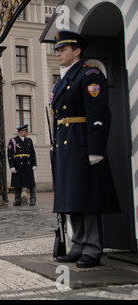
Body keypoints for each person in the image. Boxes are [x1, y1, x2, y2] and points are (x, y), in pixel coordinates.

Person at [50, 31, 120, 268]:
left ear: (77, 50)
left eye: (63, 49)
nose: (58, 53)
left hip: (81, 142)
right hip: (66, 145)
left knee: (88, 198)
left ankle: (92, 247)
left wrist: (96, 147)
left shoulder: (89, 74)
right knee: (73, 198)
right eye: (56, 49)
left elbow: (98, 112)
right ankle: (78, 244)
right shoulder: (62, 81)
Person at [7, 124, 37, 206]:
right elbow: (10, 155)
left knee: (31, 183)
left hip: (28, 164)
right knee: (18, 184)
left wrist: (34, 164)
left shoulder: (29, 141)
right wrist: (12, 166)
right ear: (21, 132)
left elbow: (32, 153)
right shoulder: (13, 141)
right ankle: (17, 199)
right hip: (18, 164)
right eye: (25, 131)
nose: (27, 132)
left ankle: (33, 198)